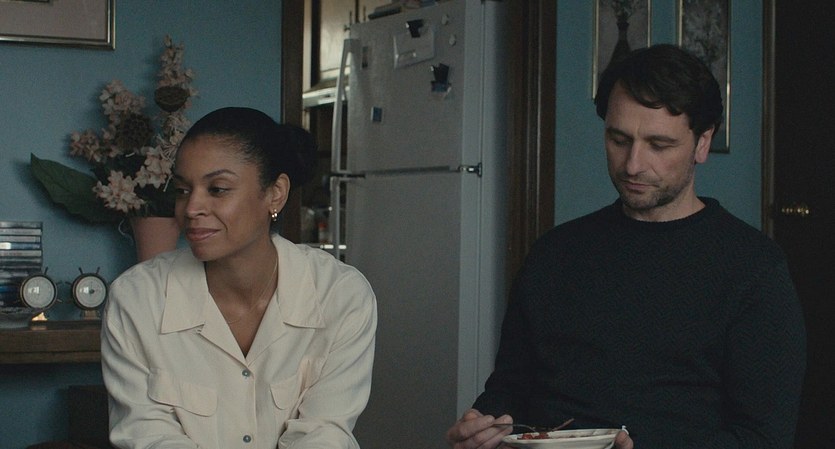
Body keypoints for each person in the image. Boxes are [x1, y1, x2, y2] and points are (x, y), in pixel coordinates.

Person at [446, 44, 806, 449]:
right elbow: (508, 390)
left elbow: (763, 437)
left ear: (702, 143)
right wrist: (482, 428)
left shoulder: (753, 269)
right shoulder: (554, 254)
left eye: (659, 145)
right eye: (619, 140)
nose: (633, 165)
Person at [101, 107, 377, 449]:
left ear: (275, 193)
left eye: (217, 189)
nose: (191, 208)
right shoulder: (136, 299)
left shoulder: (340, 295)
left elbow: (324, 434)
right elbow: (149, 436)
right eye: (183, 190)